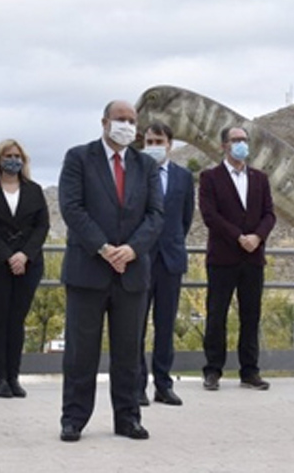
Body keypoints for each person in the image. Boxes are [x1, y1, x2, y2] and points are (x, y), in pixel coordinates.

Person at [58, 100, 164, 442]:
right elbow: (71, 208)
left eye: (132, 120)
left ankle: (128, 417)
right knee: (80, 351)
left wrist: (132, 249)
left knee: (129, 351)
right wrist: (103, 248)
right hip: (88, 269)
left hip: (131, 273)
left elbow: (155, 215)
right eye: (121, 119)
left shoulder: (145, 165)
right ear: (104, 122)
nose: (127, 125)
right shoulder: (78, 157)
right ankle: (73, 419)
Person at [199, 126, 275, 391]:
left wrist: (257, 237)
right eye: (235, 140)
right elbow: (210, 215)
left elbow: (269, 214)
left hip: (253, 258)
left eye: (243, 139)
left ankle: (249, 371)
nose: (240, 144)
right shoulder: (210, 177)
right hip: (223, 257)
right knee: (216, 315)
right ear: (224, 145)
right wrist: (238, 236)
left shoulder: (259, 178)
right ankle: (212, 370)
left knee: (250, 315)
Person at [0, 139, 50, 399]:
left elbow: (42, 226)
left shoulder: (34, 191)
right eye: (8, 156)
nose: (13, 160)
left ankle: (14, 377)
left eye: (17, 156)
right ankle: (0, 379)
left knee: (17, 322)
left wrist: (24, 255)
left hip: (29, 265)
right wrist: (8, 256)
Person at [137, 121, 195, 407]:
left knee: (165, 325)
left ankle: (163, 384)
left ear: (170, 144)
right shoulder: (136, 173)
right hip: (140, 258)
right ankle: (137, 385)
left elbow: (185, 219)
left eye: (159, 141)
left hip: (170, 260)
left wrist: (171, 244)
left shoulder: (184, 177)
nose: (154, 146)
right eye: (149, 141)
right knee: (135, 325)